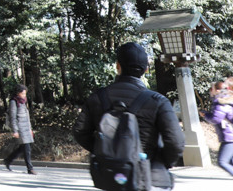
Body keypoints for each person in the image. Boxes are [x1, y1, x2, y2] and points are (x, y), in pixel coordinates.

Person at [73, 42, 184, 190]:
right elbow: (176, 142)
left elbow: (80, 131)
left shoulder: (97, 98)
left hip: (111, 176)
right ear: (145, 69)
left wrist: (105, 150)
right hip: (150, 177)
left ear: (118, 65)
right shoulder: (158, 101)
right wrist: (162, 161)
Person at [3, 85, 36, 175]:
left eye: (25, 93)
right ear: (18, 93)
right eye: (23, 93)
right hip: (20, 128)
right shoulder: (13, 102)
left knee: (22, 148)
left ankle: (8, 160)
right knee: (27, 148)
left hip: (26, 127)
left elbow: (27, 116)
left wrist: (30, 128)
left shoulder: (23, 101)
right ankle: (30, 168)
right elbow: (12, 117)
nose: (24, 95)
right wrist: (15, 130)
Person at [205, 80, 233, 176]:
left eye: (211, 89)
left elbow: (215, 119)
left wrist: (205, 115)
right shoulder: (227, 100)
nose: (210, 92)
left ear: (217, 90)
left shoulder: (220, 102)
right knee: (230, 162)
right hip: (229, 135)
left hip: (229, 137)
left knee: (222, 162)